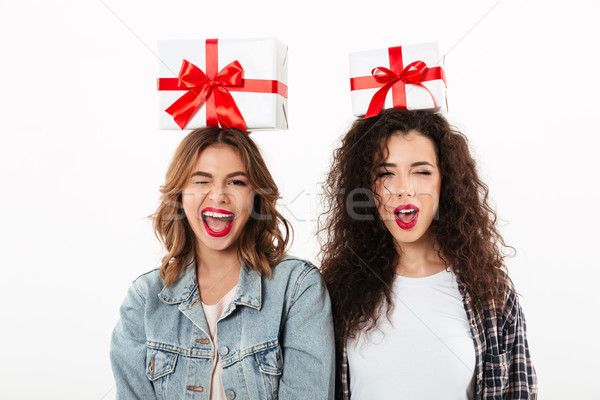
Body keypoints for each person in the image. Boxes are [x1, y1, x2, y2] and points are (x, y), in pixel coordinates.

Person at [319, 108, 537, 399]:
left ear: (445, 181)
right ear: (367, 187)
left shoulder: (491, 291)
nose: (404, 189)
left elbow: (518, 391)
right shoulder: (337, 291)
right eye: (386, 173)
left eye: (421, 172)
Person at [110, 126, 335, 399]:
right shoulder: (144, 299)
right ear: (180, 195)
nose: (218, 195)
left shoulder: (297, 288)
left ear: (256, 197)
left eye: (236, 182)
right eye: (201, 181)